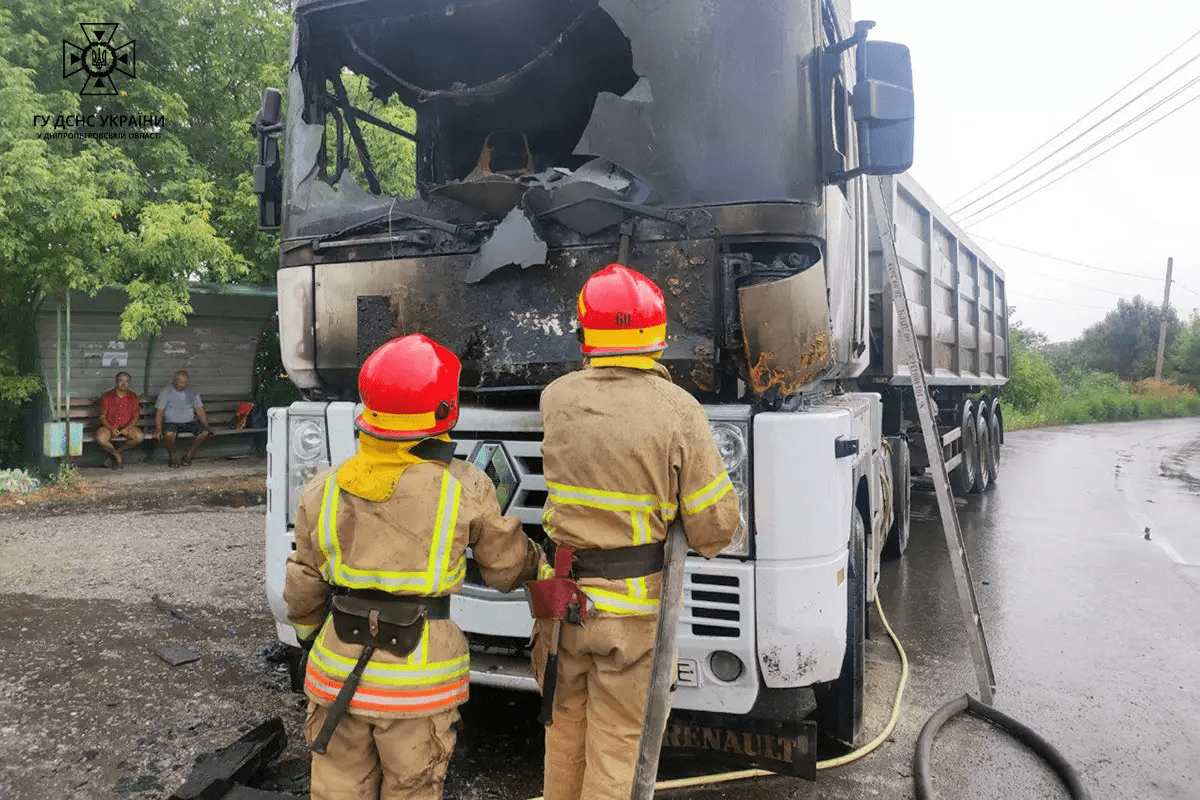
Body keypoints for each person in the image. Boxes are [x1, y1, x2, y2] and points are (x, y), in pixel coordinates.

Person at [284, 334, 540, 800]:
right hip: (417, 688)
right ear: (445, 410)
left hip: (335, 675)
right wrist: (538, 563)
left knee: (336, 790)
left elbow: (302, 586)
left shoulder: (323, 489)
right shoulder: (463, 486)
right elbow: (506, 569)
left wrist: (307, 638)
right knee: (413, 790)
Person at [533, 264, 742, 800]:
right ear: (657, 337)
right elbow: (715, 528)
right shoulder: (677, 410)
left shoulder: (555, 398)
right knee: (618, 748)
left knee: (564, 738)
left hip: (563, 607)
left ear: (585, 333)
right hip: (632, 620)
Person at [154, 370, 213, 467]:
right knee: (169, 435)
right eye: (180, 382)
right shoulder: (166, 392)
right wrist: (158, 429)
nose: (182, 385)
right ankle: (173, 456)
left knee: (205, 433)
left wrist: (207, 426)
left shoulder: (193, 392)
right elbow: (159, 412)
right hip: (171, 422)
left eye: (185, 382)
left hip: (189, 422)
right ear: (174, 381)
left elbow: (200, 410)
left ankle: (189, 454)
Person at [95, 371, 144, 469]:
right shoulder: (107, 397)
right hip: (110, 426)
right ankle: (116, 455)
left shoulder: (133, 397)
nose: (123, 384)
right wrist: (111, 428)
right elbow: (102, 417)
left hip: (127, 426)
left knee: (139, 437)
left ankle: (118, 451)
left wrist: (128, 428)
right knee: (100, 437)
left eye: (126, 381)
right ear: (116, 382)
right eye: (120, 381)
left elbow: (136, 416)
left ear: (129, 382)